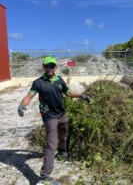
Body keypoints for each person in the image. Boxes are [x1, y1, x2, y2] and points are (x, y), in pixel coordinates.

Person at [17, 56, 90, 185]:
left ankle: (62, 153)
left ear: (56, 67)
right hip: (49, 115)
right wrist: (22, 105)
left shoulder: (59, 80)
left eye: (52, 66)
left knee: (63, 134)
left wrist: (81, 96)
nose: (49, 68)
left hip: (61, 114)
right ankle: (44, 177)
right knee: (51, 143)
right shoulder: (38, 82)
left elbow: (68, 92)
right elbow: (29, 96)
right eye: (47, 66)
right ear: (43, 67)